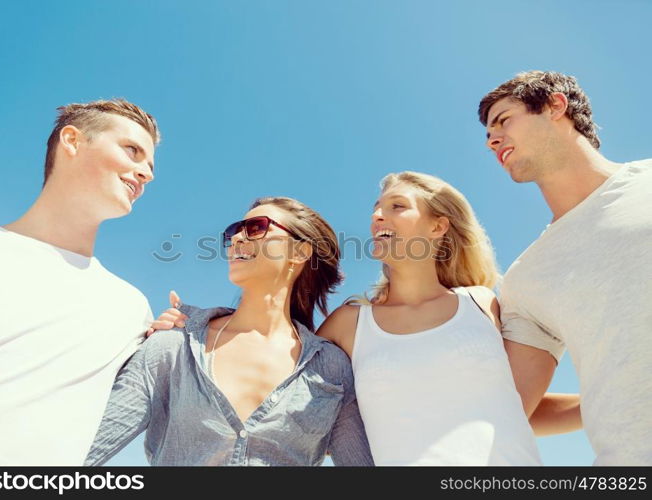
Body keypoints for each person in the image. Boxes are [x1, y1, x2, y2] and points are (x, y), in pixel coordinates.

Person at [157, 174, 579, 466]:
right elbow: (280, 380)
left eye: (397, 206)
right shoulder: (349, 324)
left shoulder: (483, 304)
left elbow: (511, 408)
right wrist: (197, 328)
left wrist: (601, 405)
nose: (378, 215)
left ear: (438, 226)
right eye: (376, 208)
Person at [85, 197, 373, 466]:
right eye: (234, 231)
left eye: (255, 228)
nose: (236, 238)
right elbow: (80, 452)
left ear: (299, 251)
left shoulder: (331, 370)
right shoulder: (172, 346)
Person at [0, 99, 160, 465]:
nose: (146, 173)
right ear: (72, 141)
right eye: (132, 150)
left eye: (149, 163)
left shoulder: (131, 309)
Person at [479, 70, 652, 465]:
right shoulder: (525, 278)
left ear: (556, 105)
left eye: (504, 120)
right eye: (489, 134)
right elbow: (507, 409)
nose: (491, 140)